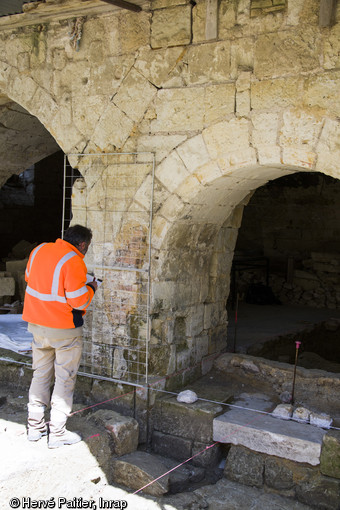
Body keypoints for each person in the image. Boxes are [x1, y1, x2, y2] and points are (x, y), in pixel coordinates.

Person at [22, 224, 98, 448]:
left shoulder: (39, 250)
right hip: (64, 330)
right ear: (82, 244)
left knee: (40, 374)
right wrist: (92, 287)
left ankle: (34, 427)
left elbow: (30, 279)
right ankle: (57, 432)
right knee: (64, 378)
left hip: (37, 325)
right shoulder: (74, 261)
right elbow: (79, 301)